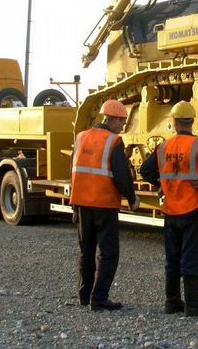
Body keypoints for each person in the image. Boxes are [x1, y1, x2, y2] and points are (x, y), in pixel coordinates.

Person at [140, 100, 198, 317]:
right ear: (192, 122)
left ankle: (172, 302)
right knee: (192, 255)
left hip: (170, 210)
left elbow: (145, 170)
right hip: (193, 208)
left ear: (175, 123)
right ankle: (193, 305)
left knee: (173, 256)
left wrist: (160, 186)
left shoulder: (163, 147)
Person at [70, 98, 140, 311]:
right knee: (109, 253)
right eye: (122, 122)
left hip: (81, 203)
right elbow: (121, 175)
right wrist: (131, 198)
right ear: (113, 119)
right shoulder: (113, 141)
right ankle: (99, 298)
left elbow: (73, 170)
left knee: (86, 251)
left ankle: (84, 295)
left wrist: (74, 204)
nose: (123, 127)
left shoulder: (81, 137)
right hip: (104, 204)